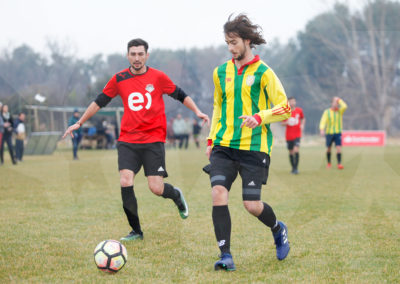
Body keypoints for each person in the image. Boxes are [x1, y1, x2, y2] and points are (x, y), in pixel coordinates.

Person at [62, 38, 209, 241]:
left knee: (156, 188)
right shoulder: (119, 79)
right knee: (125, 180)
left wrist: (198, 111)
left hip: (153, 140)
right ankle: (136, 231)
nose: (137, 58)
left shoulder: (158, 77)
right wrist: (79, 122)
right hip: (128, 140)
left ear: (147, 55)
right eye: (133, 54)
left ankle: (176, 195)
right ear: (128, 55)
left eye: (141, 54)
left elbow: (180, 95)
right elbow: (99, 101)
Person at [206, 14, 291, 271]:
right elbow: (218, 107)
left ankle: (278, 229)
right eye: (227, 43)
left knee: (251, 205)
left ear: (247, 40)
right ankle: (225, 255)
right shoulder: (220, 72)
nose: (231, 48)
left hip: (254, 147)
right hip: (224, 146)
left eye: (234, 42)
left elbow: (285, 108)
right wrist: (211, 138)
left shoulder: (264, 72)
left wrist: (259, 116)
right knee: (218, 193)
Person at [319, 96, 347, 169]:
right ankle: (329, 163)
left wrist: (339, 99)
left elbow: (345, 106)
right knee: (328, 148)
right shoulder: (327, 112)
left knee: (338, 148)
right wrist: (322, 129)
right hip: (329, 133)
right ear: (331, 103)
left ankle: (339, 164)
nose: (336, 104)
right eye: (334, 102)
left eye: (337, 103)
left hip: (338, 133)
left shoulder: (339, 111)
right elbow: (323, 121)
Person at [282, 97, 305, 174]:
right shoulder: (286, 112)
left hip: (297, 134)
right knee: (291, 152)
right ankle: (293, 168)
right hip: (289, 136)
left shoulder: (299, 110)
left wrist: (302, 125)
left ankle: (296, 169)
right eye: (290, 101)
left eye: (293, 101)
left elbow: (303, 118)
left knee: (296, 150)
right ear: (288, 103)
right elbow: (282, 123)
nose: (292, 103)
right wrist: (287, 122)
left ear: (295, 102)